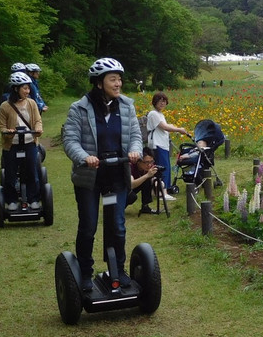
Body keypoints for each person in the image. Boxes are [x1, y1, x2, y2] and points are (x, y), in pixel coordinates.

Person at [62, 57, 144, 289]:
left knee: (116, 225)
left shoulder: (127, 105)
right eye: (112, 79)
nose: (118, 84)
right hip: (90, 177)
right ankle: (85, 273)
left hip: (116, 176)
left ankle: (116, 269)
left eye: (119, 79)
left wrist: (136, 151)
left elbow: (136, 136)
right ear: (99, 83)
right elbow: (70, 140)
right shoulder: (79, 108)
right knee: (88, 225)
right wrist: (83, 157)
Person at [0, 70, 43, 209]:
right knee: (10, 174)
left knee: (32, 172)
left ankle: (33, 199)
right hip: (12, 144)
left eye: (28, 88)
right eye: (25, 88)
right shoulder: (5, 106)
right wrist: (7, 131)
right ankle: (11, 200)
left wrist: (38, 129)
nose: (28, 91)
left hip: (30, 142)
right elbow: (1, 126)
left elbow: (37, 120)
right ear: (16, 89)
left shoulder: (31, 103)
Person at [145, 92, 188, 197]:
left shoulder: (160, 114)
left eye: (164, 101)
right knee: (162, 168)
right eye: (160, 101)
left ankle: (163, 189)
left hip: (163, 144)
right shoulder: (153, 114)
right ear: (155, 102)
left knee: (166, 167)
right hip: (157, 144)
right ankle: (162, 192)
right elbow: (164, 127)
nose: (162, 103)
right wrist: (178, 129)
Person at [128, 147, 163, 215]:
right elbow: (131, 185)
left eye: (151, 161)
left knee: (147, 179)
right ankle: (116, 208)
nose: (149, 165)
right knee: (132, 197)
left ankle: (145, 206)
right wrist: (147, 175)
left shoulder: (150, 166)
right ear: (138, 161)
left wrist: (158, 183)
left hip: (134, 187)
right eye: (146, 162)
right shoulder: (130, 166)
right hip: (122, 190)